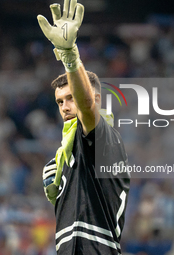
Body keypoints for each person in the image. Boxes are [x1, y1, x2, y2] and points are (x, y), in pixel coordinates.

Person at [38, 0, 130, 254]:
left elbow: (87, 107)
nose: (66, 106)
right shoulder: (63, 156)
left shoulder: (105, 138)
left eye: (71, 98)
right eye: (59, 102)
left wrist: (70, 56)